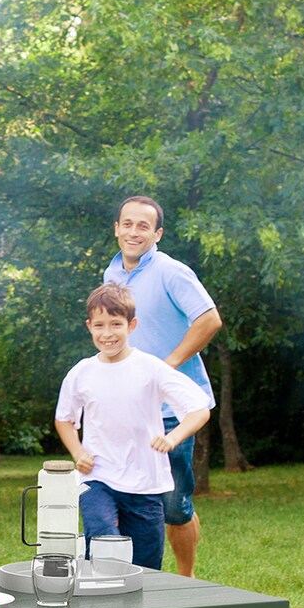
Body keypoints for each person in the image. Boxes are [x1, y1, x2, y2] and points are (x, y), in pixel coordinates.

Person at [55, 284, 210, 608]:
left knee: (143, 562)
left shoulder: (151, 369)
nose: (107, 333)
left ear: (132, 324)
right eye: (99, 325)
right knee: (105, 542)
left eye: (116, 324)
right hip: (98, 479)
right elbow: (64, 419)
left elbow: (199, 408)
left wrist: (172, 439)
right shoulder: (81, 373)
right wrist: (78, 452)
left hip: (145, 482)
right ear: (88, 327)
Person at [103, 195, 221, 577]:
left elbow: (209, 320)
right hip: (128, 408)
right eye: (127, 224)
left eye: (143, 226)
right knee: (129, 498)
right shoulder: (112, 274)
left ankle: (185, 581)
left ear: (157, 233)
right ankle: (138, 579)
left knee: (173, 504)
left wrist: (165, 367)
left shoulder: (172, 272)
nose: (133, 232)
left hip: (173, 410)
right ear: (117, 228)